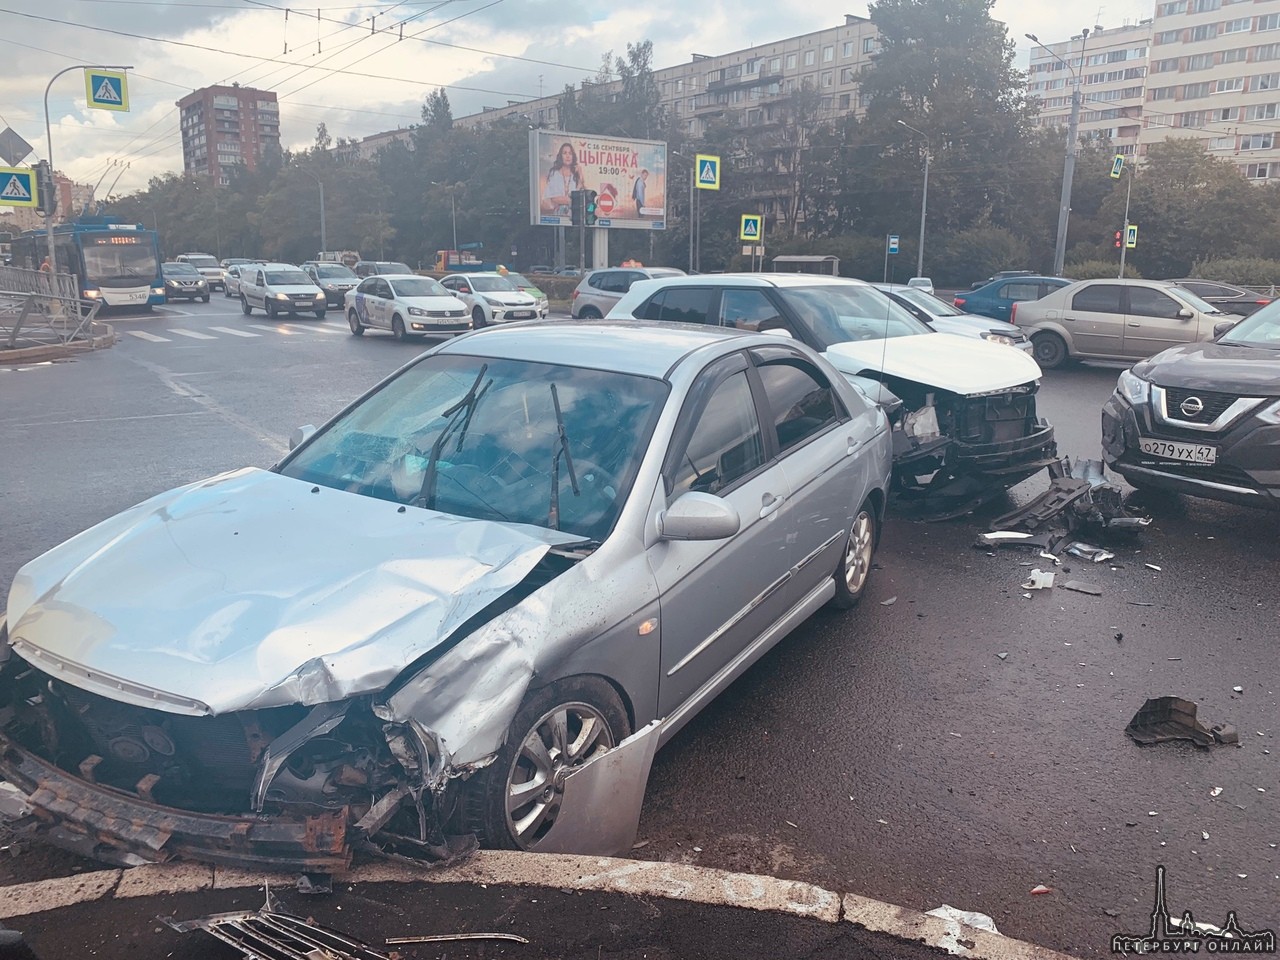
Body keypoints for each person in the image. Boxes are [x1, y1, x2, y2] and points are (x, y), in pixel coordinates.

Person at [541, 142, 581, 216]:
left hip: (573, 217)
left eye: (570, 153)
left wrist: (580, 175)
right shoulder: (554, 174)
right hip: (557, 216)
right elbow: (553, 198)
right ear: (561, 156)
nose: (568, 156)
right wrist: (571, 201)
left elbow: (579, 198)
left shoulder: (575, 175)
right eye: (565, 153)